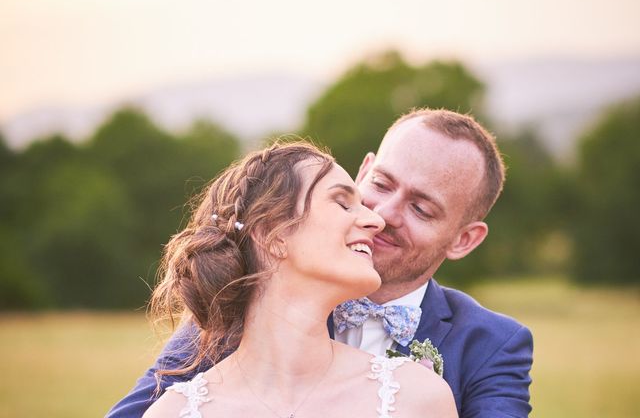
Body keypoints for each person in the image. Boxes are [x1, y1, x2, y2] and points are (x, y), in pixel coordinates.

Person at [108, 108, 533, 418]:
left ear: (464, 240)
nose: (382, 214)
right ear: (363, 171)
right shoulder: (235, 313)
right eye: (380, 184)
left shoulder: (490, 346)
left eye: (421, 209)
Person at [136, 141, 457, 418]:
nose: (376, 219)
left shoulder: (418, 399)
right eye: (343, 203)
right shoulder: (173, 413)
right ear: (271, 234)